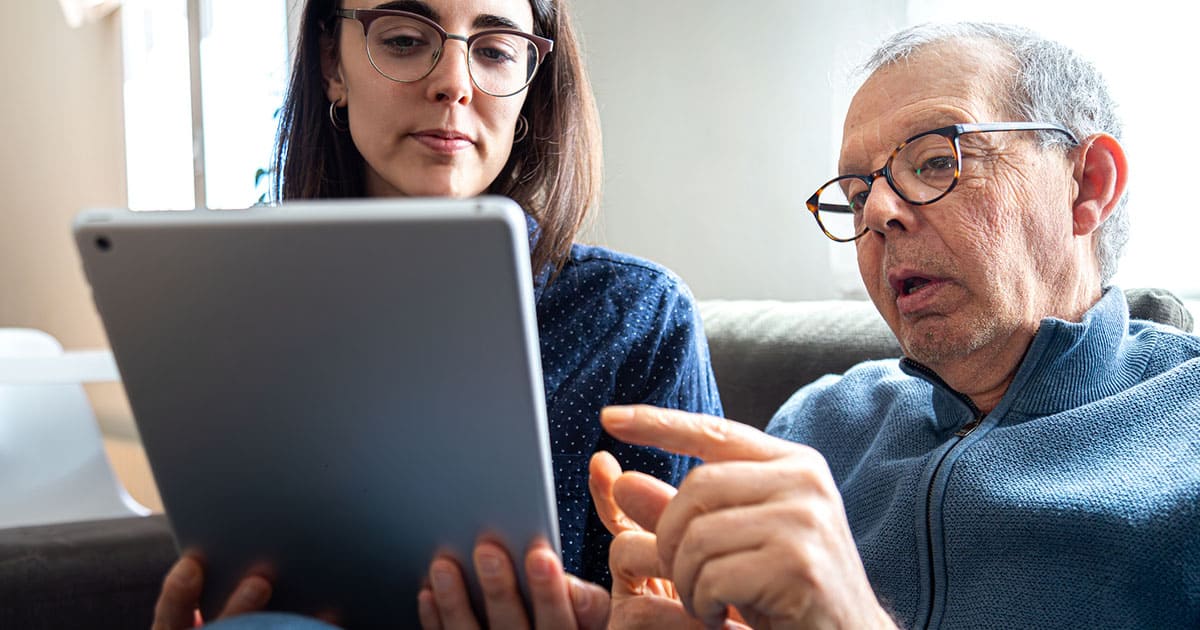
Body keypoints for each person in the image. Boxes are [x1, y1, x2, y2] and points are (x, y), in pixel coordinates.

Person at [582, 22, 1199, 629]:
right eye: (855, 195)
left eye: (934, 160)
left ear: (1087, 185)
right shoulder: (815, 425)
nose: (877, 212)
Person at [151, 0, 721, 627]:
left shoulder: (638, 318)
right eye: (402, 40)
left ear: (530, 88)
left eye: (496, 50)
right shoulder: (234, 303)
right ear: (330, 65)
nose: (453, 82)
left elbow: (684, 604)